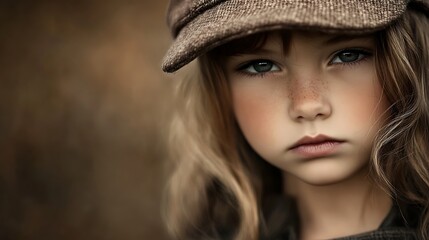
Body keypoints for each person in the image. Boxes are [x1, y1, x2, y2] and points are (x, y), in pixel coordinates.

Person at [161, 0, 429, 239]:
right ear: (219, 91)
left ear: (408, 61)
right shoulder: (210, 230)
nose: (307, 105)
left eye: (348, 55)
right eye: (261, 66)